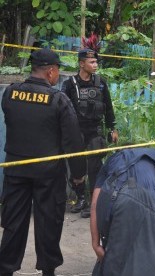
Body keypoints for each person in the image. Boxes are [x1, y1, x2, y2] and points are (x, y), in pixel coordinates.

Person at [0, 48, 87, 276]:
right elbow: (73, 142)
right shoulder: (58, 100)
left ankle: (6, 269)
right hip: (48, 175)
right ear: (50, 72)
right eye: (57, 71)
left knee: (13, 223)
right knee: (49, 222)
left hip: (15, 171)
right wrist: (78, 175)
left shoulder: (10, 93)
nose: (57, 76)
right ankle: (48, 271)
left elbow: (12, 122)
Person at [90, 148, 155, 276]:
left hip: (114, 203)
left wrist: (96, 244)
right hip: (139, 203)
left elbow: (95, 202)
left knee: (110, 258)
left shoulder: (112, 160)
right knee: (148, 262)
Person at [61, 48, 118, 218]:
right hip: (75, 131)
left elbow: (108, 107)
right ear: (81, 64)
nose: (95, 65)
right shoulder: (70, 84)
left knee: (95, 167)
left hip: (95, 131)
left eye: (96, 62)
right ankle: (80, 199)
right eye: (91, 62)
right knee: (77, 167)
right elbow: (63, 109)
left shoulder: (101, 82)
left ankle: (93, 203)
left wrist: (113, 128)